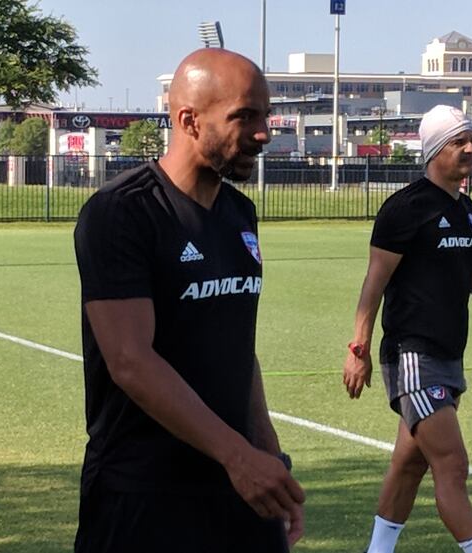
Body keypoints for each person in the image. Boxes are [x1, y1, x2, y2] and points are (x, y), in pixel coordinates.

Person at [73, 48, 304, 553]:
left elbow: (238, 347)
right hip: (143, 494)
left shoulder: (240, 213)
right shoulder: (122, 214)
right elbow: (130, 361)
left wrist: (267, 454)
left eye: (266, 116)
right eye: (245, 116)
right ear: (188, 120)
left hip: (236, 488)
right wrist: (239, 457)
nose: (263, 132)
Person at [343, 105, 472, 553]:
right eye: (460, 142)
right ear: (436, 149)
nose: (471, 149)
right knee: (452, 465)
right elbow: (373, 284)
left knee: (410, 464)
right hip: (412, 356)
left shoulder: (466, 210)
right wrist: (357, 348)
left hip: (448, 357)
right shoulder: (405, 209)